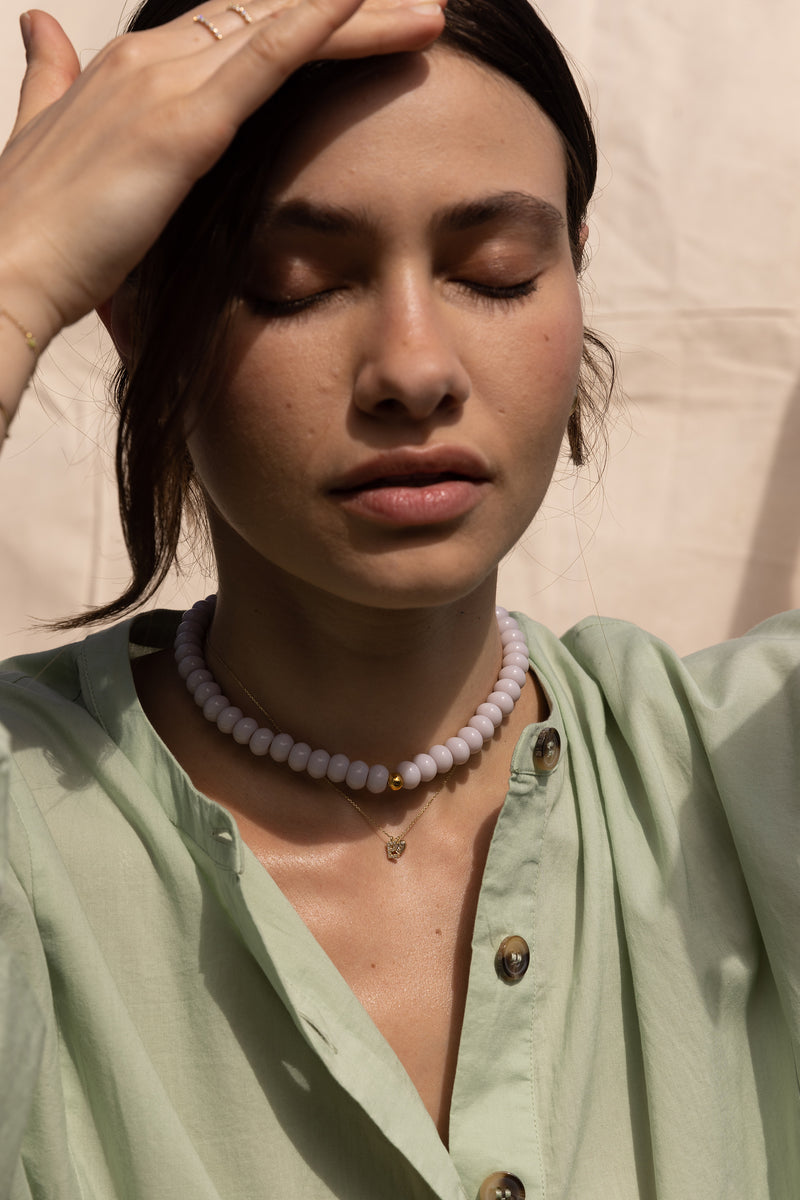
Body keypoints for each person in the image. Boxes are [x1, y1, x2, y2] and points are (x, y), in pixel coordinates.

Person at [0, 0, 797, 1197]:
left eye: (495, 273)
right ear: (134, 311)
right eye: (293, 284)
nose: (413, 370)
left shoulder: (744, 773)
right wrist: (11, 276)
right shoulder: (29, 826)